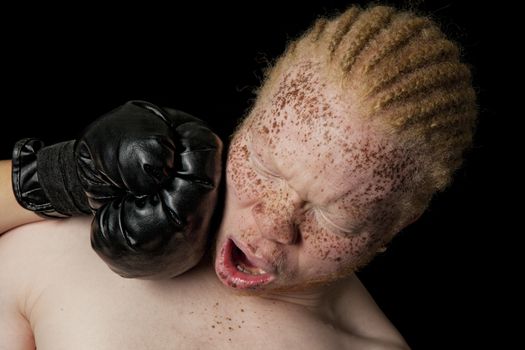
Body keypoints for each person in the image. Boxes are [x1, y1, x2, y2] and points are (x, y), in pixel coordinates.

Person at [0, 4, 477, 349]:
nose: (272, 223)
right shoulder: (61, 248)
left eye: (336, 216)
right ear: (245, 121)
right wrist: (57, 177)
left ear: (397, 225)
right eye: (266, 166)